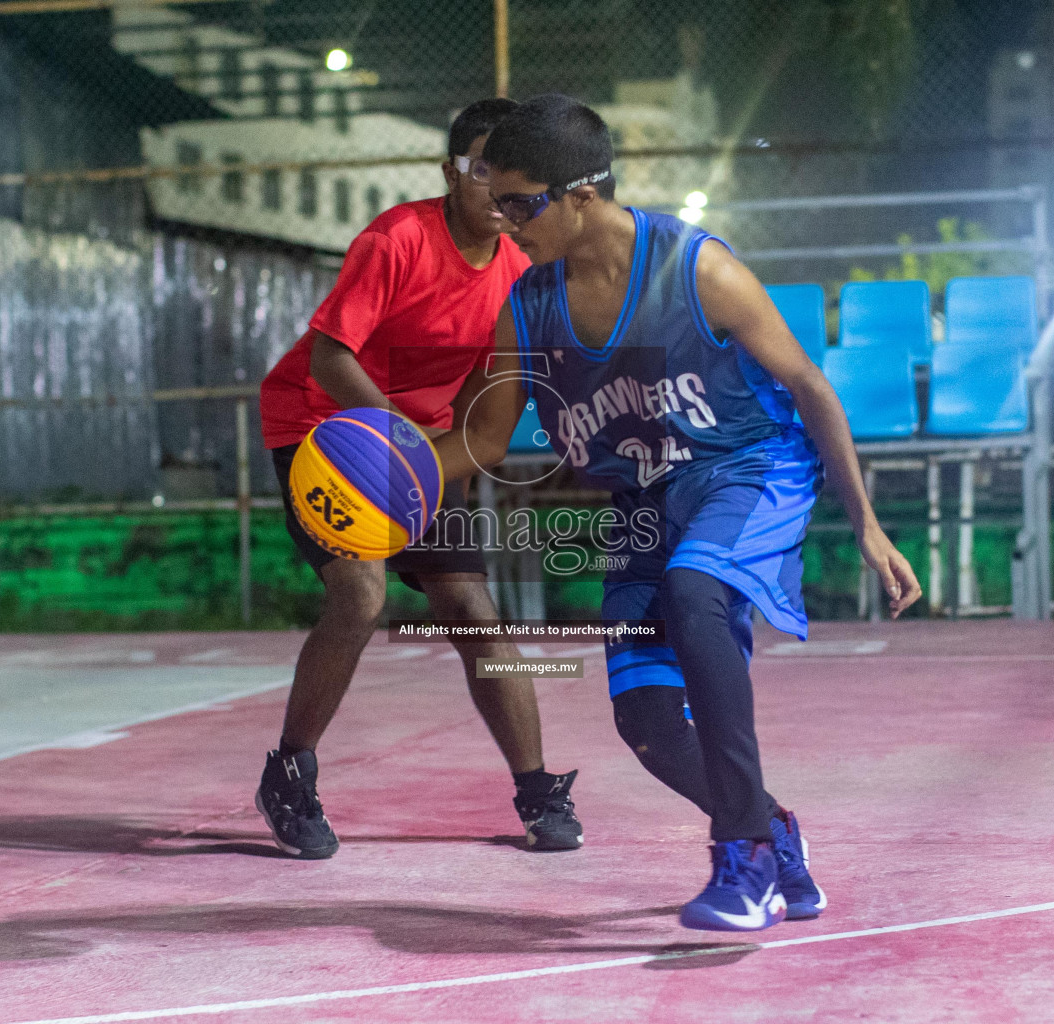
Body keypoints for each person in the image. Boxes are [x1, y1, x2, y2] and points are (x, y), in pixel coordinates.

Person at [430, 94, 922, 931]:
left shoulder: (696, 269)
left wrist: (867, 524)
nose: (502, 219)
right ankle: (773, 829)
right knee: (649, 722)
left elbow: (808, 386)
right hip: (646, 502)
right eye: (495, 199)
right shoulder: (529, 304)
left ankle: (746, 859)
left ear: (581, 193)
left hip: (746, 470)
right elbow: (481, 434)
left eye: (520, 201)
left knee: (697, 589)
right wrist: (385, 486)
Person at [256, 98, 584, 860]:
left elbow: (480, 395)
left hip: (420, 448)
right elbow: (328, 357)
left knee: (471, 605)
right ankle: (289, 772)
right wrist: (392, 442)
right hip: (327, 430)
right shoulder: (397, 239)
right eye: (477, 170)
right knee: (361, 594)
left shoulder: (516, 272)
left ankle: (536, 787)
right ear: (450, 172)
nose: (493, 189)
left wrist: (438, 456)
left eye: (506, 177)